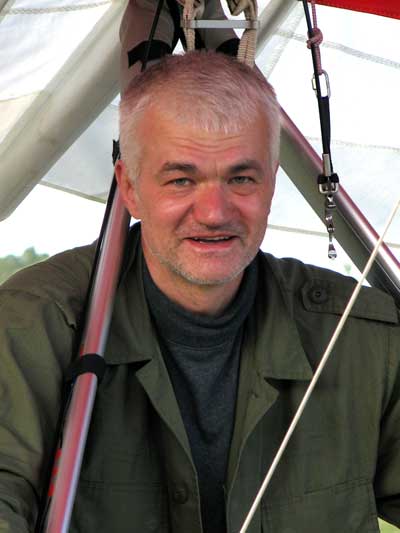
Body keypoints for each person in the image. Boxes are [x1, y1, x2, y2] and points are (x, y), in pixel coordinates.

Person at [0, 51, 400, 533]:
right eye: (181, 180)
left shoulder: (360, 337)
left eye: (241, 178)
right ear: (130, 187)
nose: (214, 212)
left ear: (272, 183)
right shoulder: (34, 325)